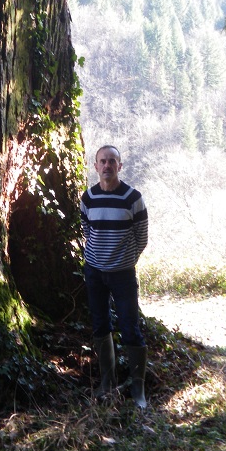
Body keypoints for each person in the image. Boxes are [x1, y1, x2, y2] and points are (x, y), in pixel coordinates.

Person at [80, 144, 149, 407]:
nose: (107, 165)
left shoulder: (133, 198)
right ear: (96, 166)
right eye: (102, 161)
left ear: (120, 166)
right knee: (100, 325)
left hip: (123, 275)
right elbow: (87, 230)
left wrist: (126, 260)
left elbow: (141, 237)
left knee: (130, 327)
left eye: (112, 161)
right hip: (95, 273)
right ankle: (106, 383)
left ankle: (138, 390)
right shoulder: (88, 198)